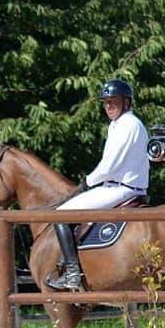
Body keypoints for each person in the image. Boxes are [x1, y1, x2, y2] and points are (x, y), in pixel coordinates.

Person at [46, 79, 150, 290]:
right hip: (116, 186)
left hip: (121, 188)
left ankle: (73, 274)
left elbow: (109, 166)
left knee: (59, 215)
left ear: (126, 103)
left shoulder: (128, 125)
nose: (108, 106)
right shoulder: (118, 125)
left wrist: (86, 183)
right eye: (106, 102)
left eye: (113, 102)